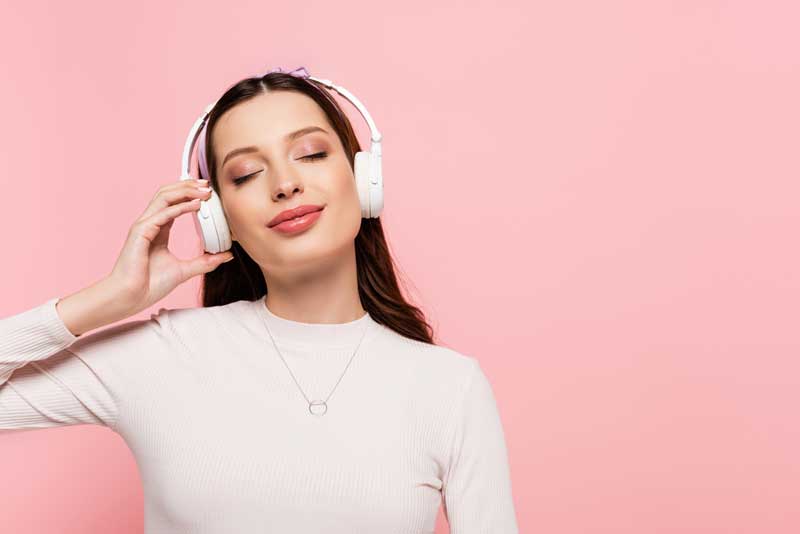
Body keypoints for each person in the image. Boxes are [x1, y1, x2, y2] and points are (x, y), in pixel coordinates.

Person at [0, 69, 519, 533]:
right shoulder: (164, 354)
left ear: (364, 180)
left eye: (312, 154)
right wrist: (109, 300)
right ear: (217, 217)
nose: (286, 184)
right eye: (247, 174)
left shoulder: (450, 388)